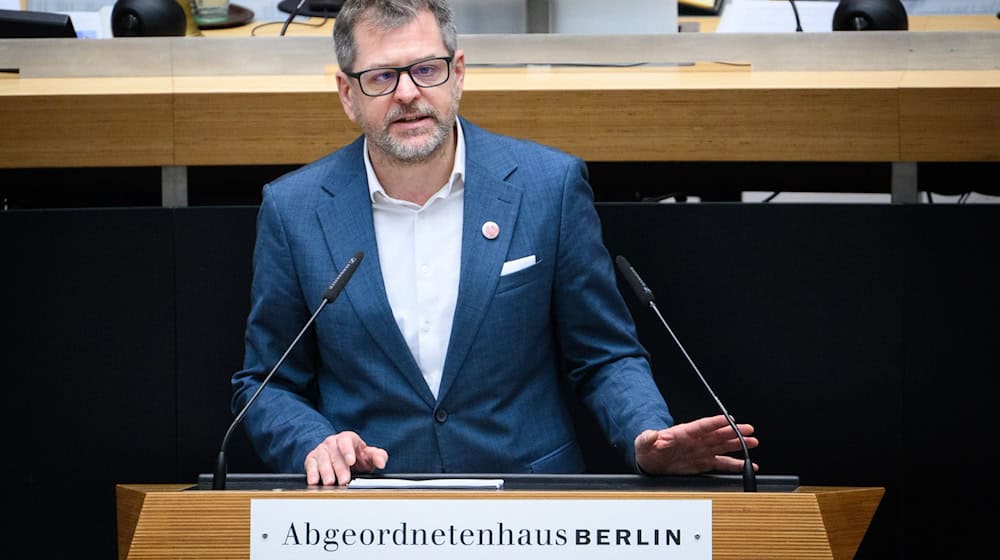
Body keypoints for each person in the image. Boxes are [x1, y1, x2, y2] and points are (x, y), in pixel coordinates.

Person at [231, 0, 758, 486]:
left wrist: (646, 435)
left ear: (458, 73)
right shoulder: (294, 210)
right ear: (348, 94)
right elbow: (266, 383)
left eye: (427, 69)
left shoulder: (547, 188)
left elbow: (604, 355)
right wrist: (314, 442)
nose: (408, 93)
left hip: (528, 508)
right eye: (382, 76)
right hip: (370, 510)